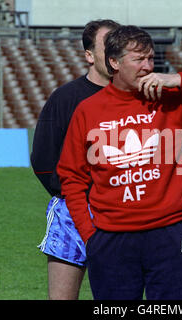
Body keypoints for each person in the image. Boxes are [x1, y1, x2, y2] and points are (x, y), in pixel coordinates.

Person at [57, 25, 182, 300]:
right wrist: (90, 235)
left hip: (169, 234)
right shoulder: (88, 110)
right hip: (111, 240)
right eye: (138, 59)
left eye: (150, 58)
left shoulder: (172, 101)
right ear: (114, 62)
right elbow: (71, 176)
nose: (147, 66)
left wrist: (177, 79)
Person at [31, 19, 120, 300]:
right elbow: (44, 160)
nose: (114, 53)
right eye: (107, 47)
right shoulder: (66, 98)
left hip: (121, 215)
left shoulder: (137, 98)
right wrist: (75, 196)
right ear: (89, 55)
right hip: (72, 212)